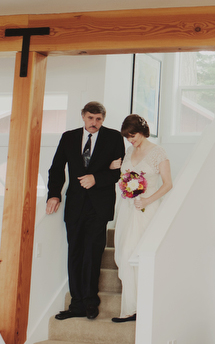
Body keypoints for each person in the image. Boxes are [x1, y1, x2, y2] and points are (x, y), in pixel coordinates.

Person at [46, 101, 125, 320]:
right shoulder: (68, 137)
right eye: (90, 118)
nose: (94, 123)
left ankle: (91, 302)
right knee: (75, 254)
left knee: (92, 254)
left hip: (99, 206)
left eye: (99, 119)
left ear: (103, 119)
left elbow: (121, 172)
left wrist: (96, 178)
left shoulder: (114, 138)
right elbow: (56, 168)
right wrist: (54, 194)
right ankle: (76, 304)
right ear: (83, 116)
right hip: (75, 205)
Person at [110, 114, 173, 323]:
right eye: (127, 137)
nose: (131, 140)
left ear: (142, 131)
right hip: (129, 210)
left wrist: (146, 201)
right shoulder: (129, 151)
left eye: (133, 135)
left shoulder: (158, 152)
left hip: (147, 209)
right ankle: (131, 308)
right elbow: (124, 177)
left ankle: (144, 308)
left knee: (139, 257)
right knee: (125, 256)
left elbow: (168, 184)